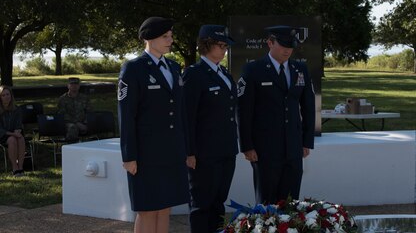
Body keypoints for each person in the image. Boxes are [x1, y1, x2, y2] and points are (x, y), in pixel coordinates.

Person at [118, 16, 189, 233]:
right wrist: (129, 156)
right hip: (146, 152)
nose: (170, 40)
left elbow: (179, 112)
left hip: (171, 150)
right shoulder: (134, 69)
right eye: (165, 36)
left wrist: (185, 148)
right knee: (147, 209)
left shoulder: (174, 68)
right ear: (149, 38)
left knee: (164, 207)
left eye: (170, 36)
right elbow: (126, 115)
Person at [237, 25, 315, 205]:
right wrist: (247, 145)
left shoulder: (300, 69)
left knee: (290, 202)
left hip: (293, 146)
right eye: (283, 45)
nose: (288, 49)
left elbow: (308, 107)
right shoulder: (253, 70)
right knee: (267, 203)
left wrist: (306, 141)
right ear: (270, 43)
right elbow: (244, 110)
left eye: (291, 45)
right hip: (265, 148)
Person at [183, 25, 238, 233]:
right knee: (201, 205)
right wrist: (189, 152)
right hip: (204, 153)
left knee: (218, 203)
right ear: (206, 45)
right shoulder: (194, 75)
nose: (224, 49)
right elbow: (187, 117)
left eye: (226, 45)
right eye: (220, 45)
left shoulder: (224, 73)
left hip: (226, 150)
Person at [0, 85, 25, 176]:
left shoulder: (16, 109)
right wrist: (13, 134)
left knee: (21, 138)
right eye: (3, 95)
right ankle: (14, 167)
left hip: (14, 133)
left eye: (8, 94)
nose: (6, 97)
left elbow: (18, 124)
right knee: (12, 140)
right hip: (3, 135)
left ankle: (20, 167)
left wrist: (17, 132)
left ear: (11, 95)